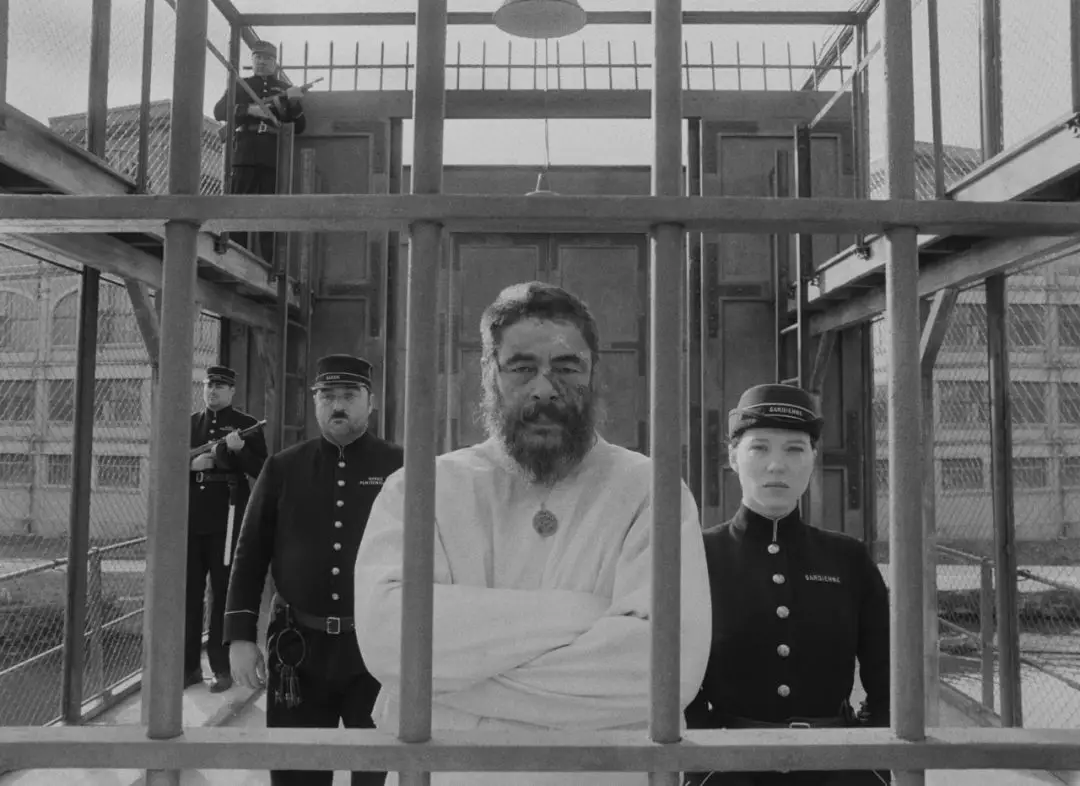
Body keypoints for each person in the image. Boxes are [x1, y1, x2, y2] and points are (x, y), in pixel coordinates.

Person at [354, 281, 712, 786]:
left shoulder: (651, 491)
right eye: (521, 368)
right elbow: (391, 643)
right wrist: (586, 612)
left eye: (567, 367)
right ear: (489, 374)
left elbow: (666, 673)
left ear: (595, 374)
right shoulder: (422, 489)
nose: (545, 389)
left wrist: (443, 688)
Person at [684, 384, 890, 786]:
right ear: (733, 457)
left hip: (837, 768)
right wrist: (704, 760)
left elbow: (888, 681)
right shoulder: (698, 555)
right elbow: (674, 680)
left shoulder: (848, 559)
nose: (776, 465)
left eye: (795, 449)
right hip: (727, 769)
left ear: (813, 458)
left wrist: (867, 760)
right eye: (759, 448)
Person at [224, 354, 403, 786]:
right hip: (298, 651)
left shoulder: (400, 468)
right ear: (315, 402)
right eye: (327, 396)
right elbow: (250, 554)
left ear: (371, 402)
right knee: (296, 773)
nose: (337, 405)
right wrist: (240, 637)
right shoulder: (282, 467)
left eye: (349, 395)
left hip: (376, 652)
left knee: (374, 774)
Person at [187, 365, 267, 693]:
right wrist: (191, 465)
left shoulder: (247, 426)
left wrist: (239, 450)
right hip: (191, 518)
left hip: (228, 518)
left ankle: (221, 668)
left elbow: (262, 469)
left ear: (232, 391)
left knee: (222, 593)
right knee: (189, 593)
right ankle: (189, 667)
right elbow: (164, 464)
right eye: (209, 385)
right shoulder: (190, 424)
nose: (213, 391)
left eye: (220, 386)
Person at [212, 40, 306, 261]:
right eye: (258, 58)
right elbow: (219, 111)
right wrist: (249, 110)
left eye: (268, 59)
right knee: (238, 208)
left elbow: (301, 126)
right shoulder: (241, 85)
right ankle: (234, 259)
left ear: (275, 63)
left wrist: (294, 104)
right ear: (252, 60)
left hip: (271, 155)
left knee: (269, 211)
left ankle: (269, 263)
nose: (262, 62)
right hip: (244, 153)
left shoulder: (284, 89)